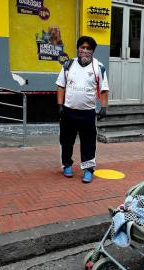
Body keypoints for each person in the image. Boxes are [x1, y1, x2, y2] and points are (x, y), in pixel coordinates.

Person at [56, 36, 109, 183]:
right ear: (78, 48)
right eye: (82, 47)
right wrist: (60, 106)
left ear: (93, 51)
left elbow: (103, 90)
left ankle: (88, 170)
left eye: (88, 48)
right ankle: (67, 165)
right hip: (69, 111)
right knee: (66, 141)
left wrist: (104, 108)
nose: (85, 51)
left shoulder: (99, 67)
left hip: (87, 113)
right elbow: (61, 86)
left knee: (89, 143)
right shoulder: (68, 65)